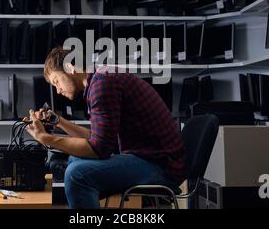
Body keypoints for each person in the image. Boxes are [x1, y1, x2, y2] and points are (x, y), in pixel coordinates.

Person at [24, 46, 186, 209]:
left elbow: (99, 149)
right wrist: (57, 120)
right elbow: (95, 137)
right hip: (149, 158)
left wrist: (46, 139)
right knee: (75, 160)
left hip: (161, 166)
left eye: (56, 81)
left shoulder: (103, 85)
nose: (57, 90)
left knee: (76, 174)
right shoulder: (100, 79)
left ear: (70, 68)